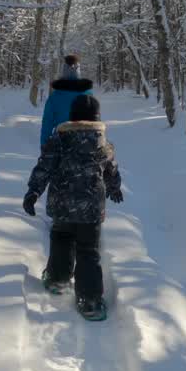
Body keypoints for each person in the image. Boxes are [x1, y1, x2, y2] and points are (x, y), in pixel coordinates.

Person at [23, 93, 123, 320]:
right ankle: (90, 301)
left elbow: (44, 168)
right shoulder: (103, 144)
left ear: (72, 117)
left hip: (62, 206)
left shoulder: (57, 141)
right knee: (89, 251)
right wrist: (114, 187)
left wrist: (33, 191)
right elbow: (112, 170)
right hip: (91, 210)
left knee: (61, 239)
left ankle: (58, 279)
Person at [40, 54, 93, 148]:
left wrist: (44, 147)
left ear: (64, 71)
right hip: (86, 148)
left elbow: (47, 125)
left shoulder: (55, 97)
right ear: (78, 71)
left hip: (62, 148)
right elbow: (95, 124)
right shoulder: (89, 95)